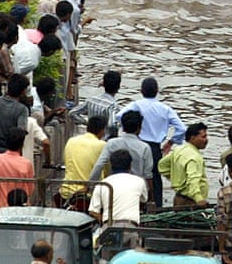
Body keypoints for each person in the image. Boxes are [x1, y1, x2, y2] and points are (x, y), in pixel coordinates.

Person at [121, 77, 185, 207]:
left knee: (134, 175)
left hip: (137, 143)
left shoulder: (136, 105)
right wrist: (171, 142)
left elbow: (119, 115)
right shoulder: (165, 109)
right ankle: (156, 207)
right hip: (155, 148)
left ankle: (133, 204)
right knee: (155, 179)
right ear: (157, 91)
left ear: (141, 91)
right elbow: (182, 128)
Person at [89, 148, 147, 234]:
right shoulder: (139, 181)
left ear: (111, 165)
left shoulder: (102, 184)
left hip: (108, 227)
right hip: (130, 227)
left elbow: (93, 211)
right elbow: (144, 200)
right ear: (130, 165)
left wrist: (105, 222)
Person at [61, 115, 107, 209]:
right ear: (102, 130)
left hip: (67, 191)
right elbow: (107, 171)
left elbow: (67, 162)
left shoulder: (71, 141)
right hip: (90, 195)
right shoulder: (102, 145)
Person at [159, 120, 208, 208]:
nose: (206, 140)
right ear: (193, 138)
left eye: (206, 136)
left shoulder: (179, 149)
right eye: (203, 137)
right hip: (190, 202)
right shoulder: (194, 157)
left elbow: (162, 166)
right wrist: (199, 199)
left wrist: (178, 179)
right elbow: (193, 180)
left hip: (178, 198)